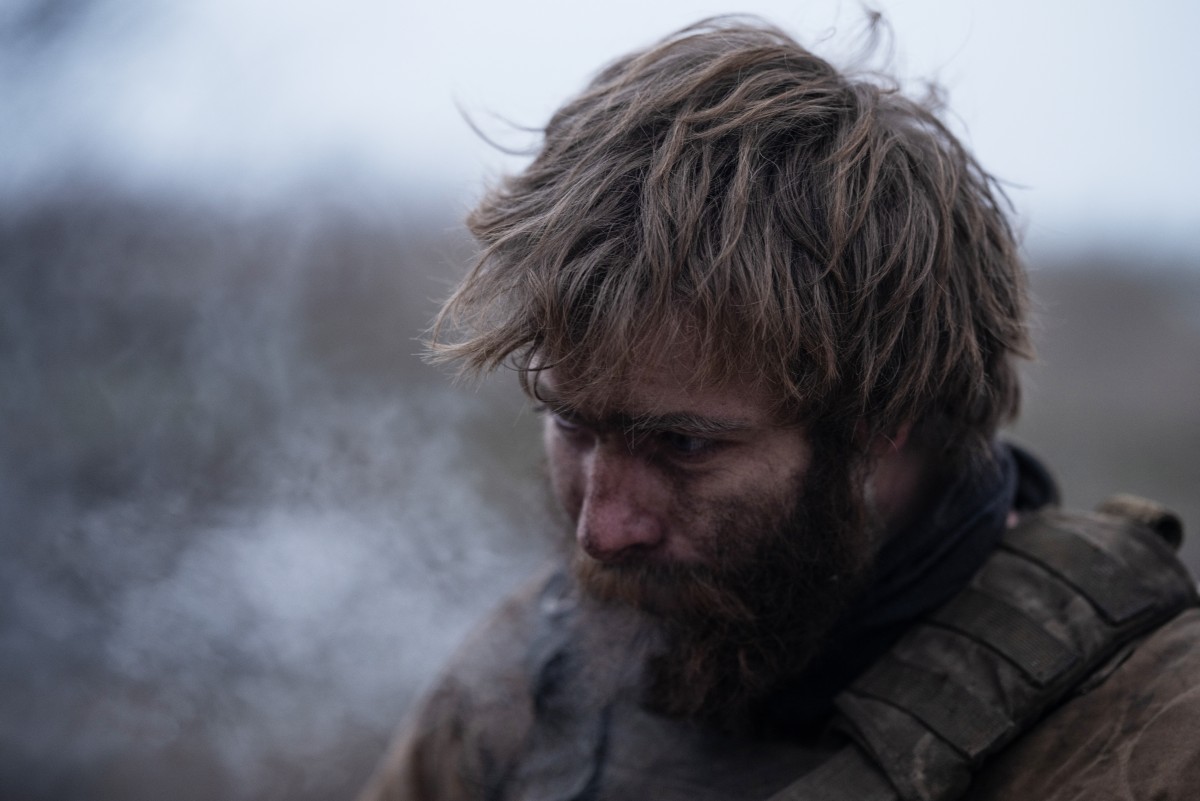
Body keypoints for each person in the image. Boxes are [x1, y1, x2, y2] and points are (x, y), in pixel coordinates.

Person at [359, 17, 1200, 801]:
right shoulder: (517, 687)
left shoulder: (1157, 737)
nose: (603, 531)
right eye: (572, 424)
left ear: (885, 418)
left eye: (683, 444)